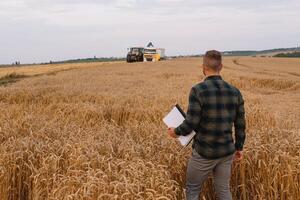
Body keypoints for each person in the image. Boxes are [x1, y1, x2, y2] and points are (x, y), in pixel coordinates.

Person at [167, 50, 246, 200]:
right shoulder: (235, 92)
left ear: (203, 67)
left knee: (192, 190)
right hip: (226, 152)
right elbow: (241, 123)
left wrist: (175, 132)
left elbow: (191, 122)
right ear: (221, 67)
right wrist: (239, 147)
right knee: (223, 191)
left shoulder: (198, 91)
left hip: (204, 152)